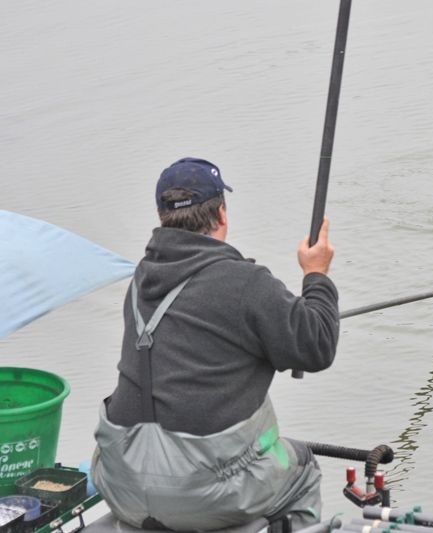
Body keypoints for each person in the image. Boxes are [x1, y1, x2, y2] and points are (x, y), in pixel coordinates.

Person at [91, 157, 339, 531]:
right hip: (204, 490)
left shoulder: (139, 282)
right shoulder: (245, 282)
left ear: (162, 217)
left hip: (121, 483)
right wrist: (316, 273)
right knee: (301, 466)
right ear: (222, 214)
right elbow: (316, 346)